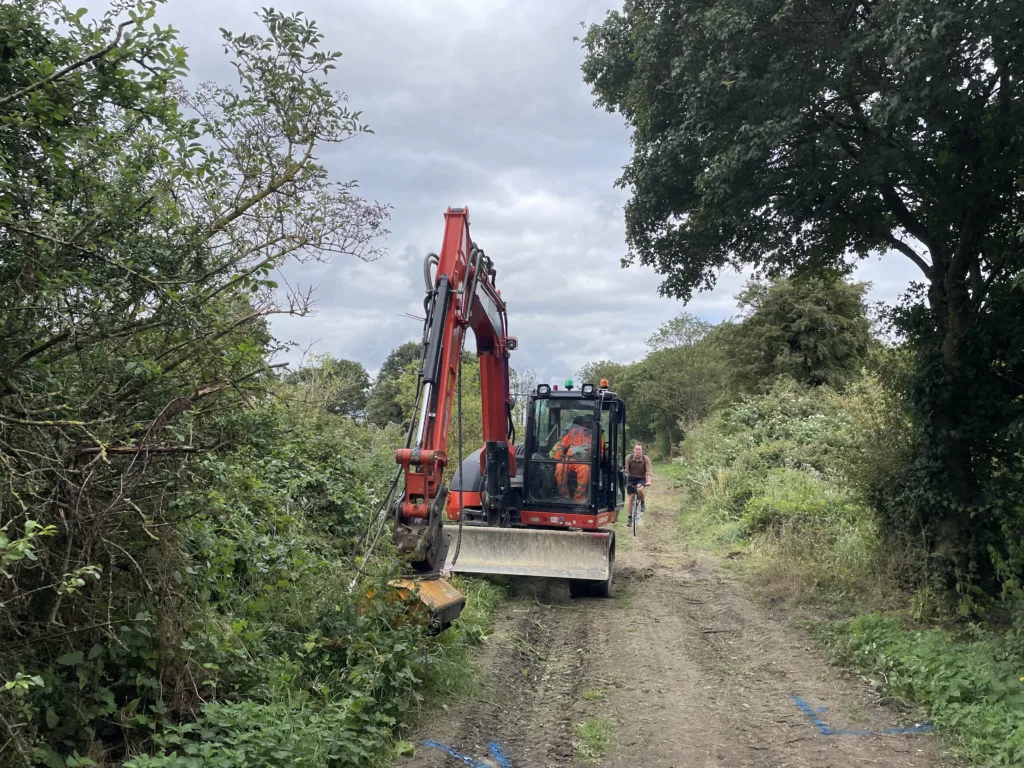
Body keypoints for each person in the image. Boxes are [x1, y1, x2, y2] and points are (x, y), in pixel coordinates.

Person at [553, 413, 603, 503]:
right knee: (560, 467)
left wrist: (595, 458)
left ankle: (578, 498)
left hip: (584, 462)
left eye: (589, 423)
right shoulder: (574, 432)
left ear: (593, 424)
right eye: (585, 423)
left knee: (585, 470)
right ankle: (564, 496)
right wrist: (558, 458)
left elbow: (601, 452)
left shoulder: (597, 437)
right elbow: (561, 444)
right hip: (569, 460)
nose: (586, 425)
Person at [624, 443, 652, 524]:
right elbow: (626, 470)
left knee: (640, 490)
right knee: (631, 498)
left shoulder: (645, 459)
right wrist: (625, 480)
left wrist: (649, 481)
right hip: (631, 478)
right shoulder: (628, 458)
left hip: (641, 478)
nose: (638, 451)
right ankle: (629, 518)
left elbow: (649, 471)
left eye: (640, 449)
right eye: (636, 449)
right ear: (633, 450)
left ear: (642, 451)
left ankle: (642, 503)